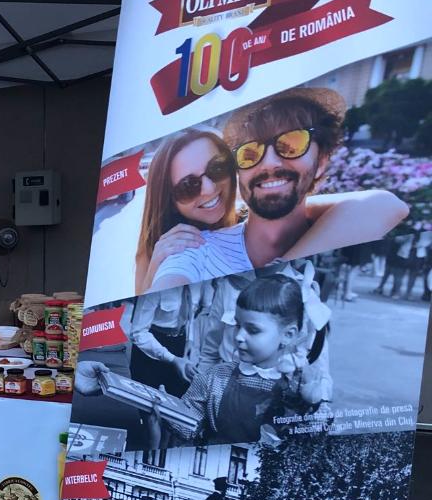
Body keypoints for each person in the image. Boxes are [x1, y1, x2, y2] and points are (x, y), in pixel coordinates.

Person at [150, 88, 409, 291]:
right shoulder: (195, 252)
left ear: (321, 162)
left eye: (291, 144)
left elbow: (388, 205)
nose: (269, 162)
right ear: (238, 170)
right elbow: (171, 281)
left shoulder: (335, 234)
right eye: (250, 152)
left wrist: (277, 271)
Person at [163, 275, 328, 444]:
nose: (239, 336)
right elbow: (189, 427)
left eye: (253, 330)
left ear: (288, 335)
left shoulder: (298, 388)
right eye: (237, 325)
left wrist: (308, 406)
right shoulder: (216, 377)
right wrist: (167, 410)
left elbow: (314, 440)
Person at [135, 130, 242, 294]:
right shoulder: (163, 252)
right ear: (169, 201)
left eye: (217, 168)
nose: (209, 189)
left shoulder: (250, 221)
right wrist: (152, 274)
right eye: (188, 186)